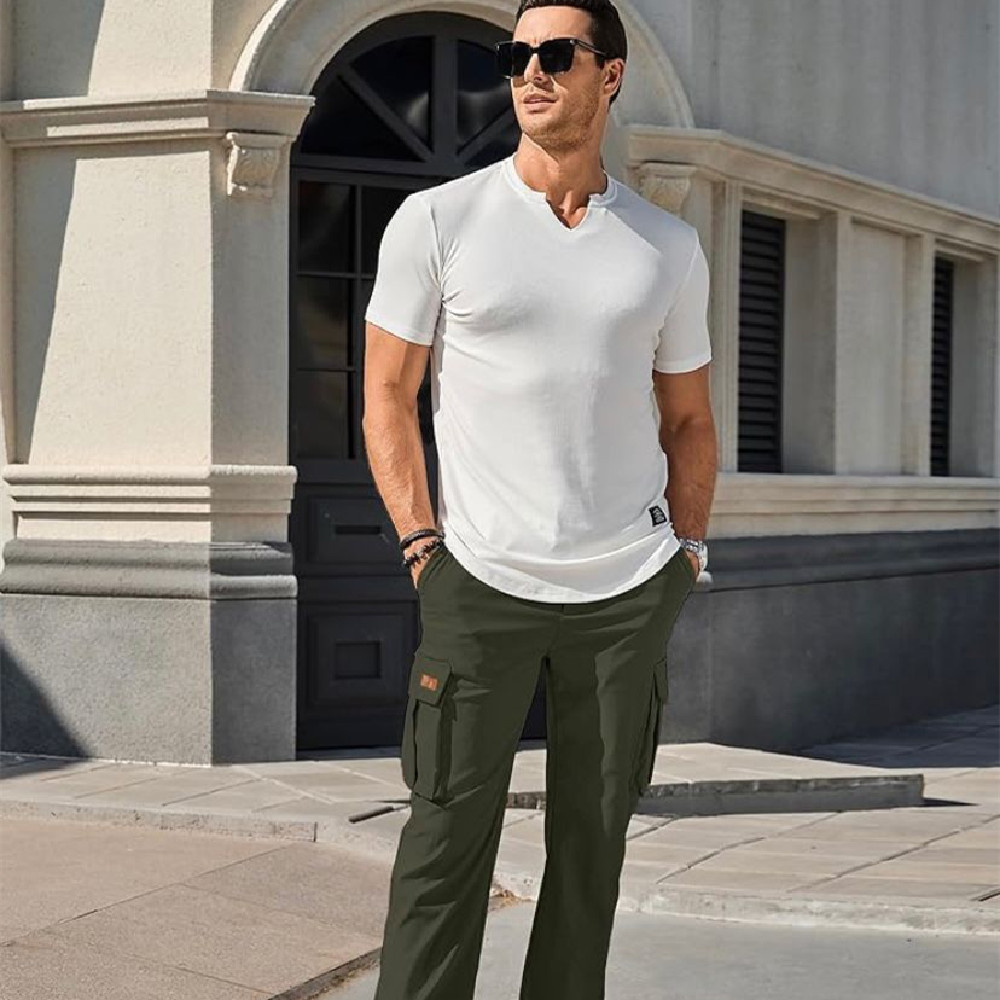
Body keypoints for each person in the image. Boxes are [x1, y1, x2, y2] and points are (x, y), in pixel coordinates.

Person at [361, 1, 717, 996]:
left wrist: (686, 555)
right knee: (442, 846)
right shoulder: (440, 220)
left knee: (591, 852)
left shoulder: (665, 246)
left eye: (556, 53)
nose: (530, 72)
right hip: (478, 582)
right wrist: (422, 546)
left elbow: (690, 419)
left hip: (626, 593)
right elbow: (385, 393)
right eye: (514, 54)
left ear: (610, 74)